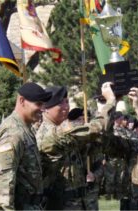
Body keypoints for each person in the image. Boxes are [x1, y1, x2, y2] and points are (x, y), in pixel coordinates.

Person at [36, 82, 116, 210]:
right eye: (59, 103)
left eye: (67, 102)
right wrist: (110, 102)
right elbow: (97, 128)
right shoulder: (50, 133)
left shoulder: (60, 128)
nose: (65, 107)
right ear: (45, 108)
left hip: (78, 203)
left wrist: (105, 104)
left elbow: (100, 139)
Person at [0, 82, 52, 210]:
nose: (42, 109)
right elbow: (3, 184)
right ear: (22, 101)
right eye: (38, 104)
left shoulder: (25, 130)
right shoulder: (13, 133)